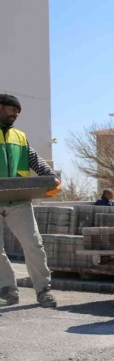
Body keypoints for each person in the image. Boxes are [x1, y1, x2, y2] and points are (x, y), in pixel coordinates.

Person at [0, 94, 61, 308]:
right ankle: (8, 290)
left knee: (34, 245)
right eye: (12, 110)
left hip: (18, 199)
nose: (15, 114)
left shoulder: (20, 137)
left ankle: (43, 290)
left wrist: (50, 177)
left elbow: (35, 160)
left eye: (18, 112)